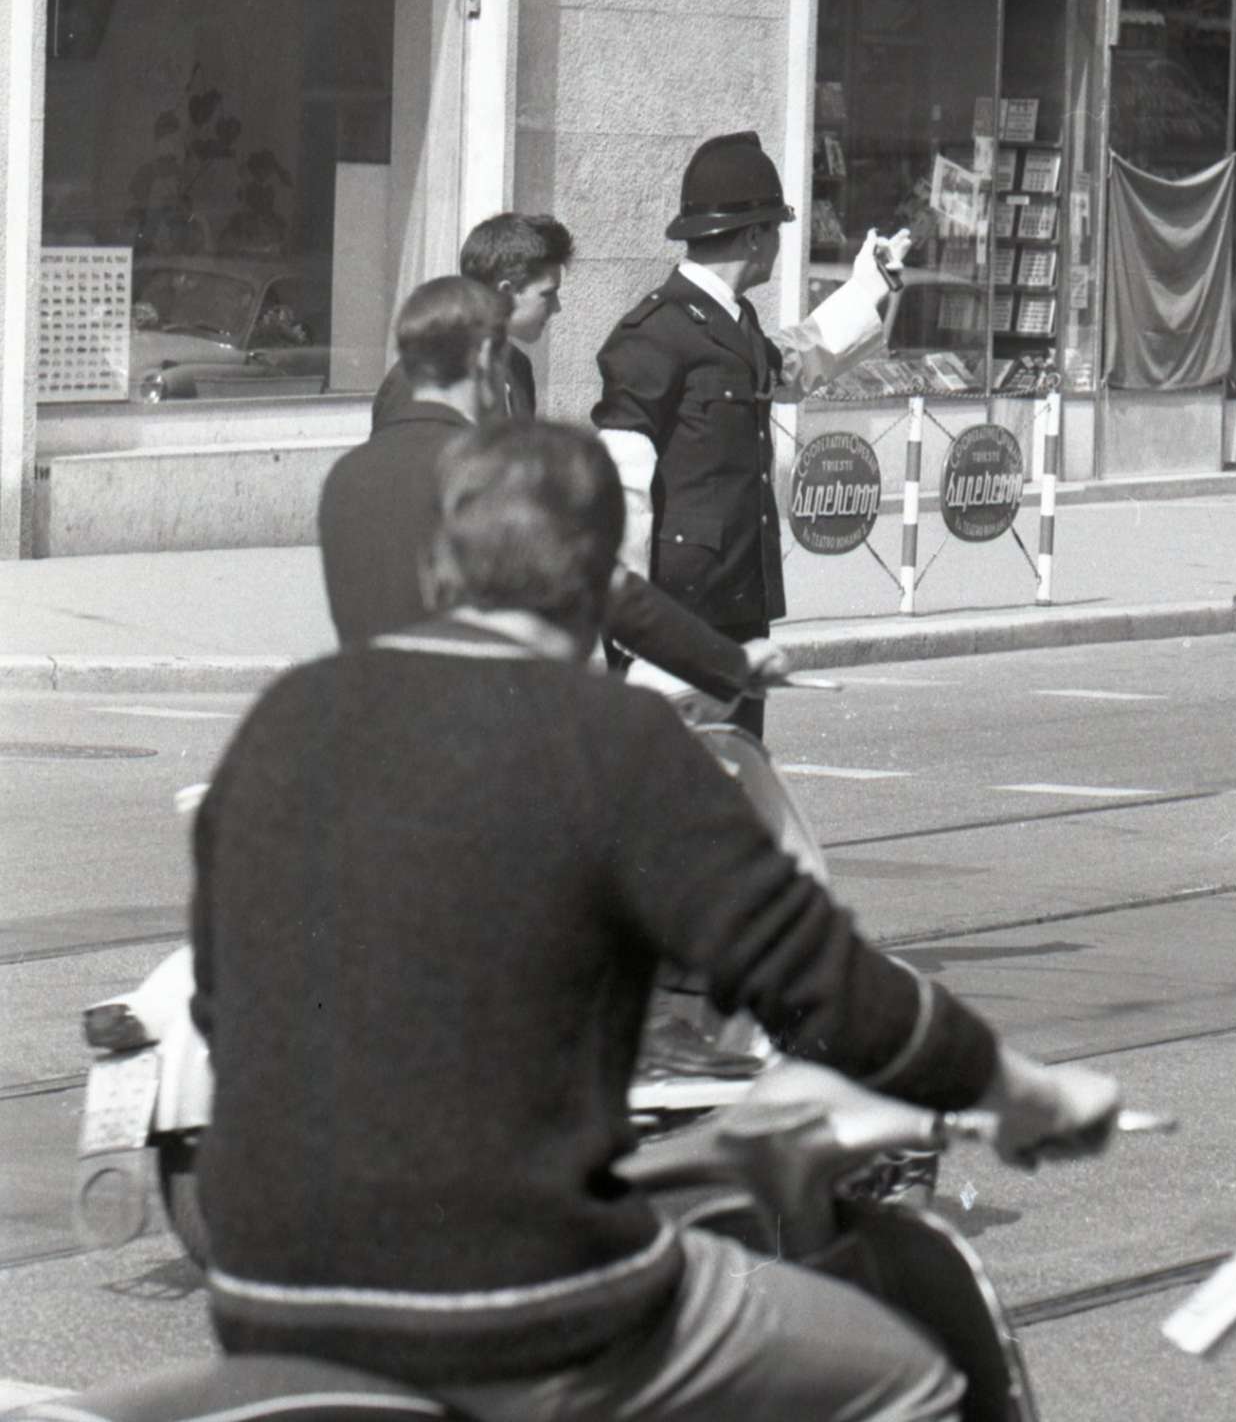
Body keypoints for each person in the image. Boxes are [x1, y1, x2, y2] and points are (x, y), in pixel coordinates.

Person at [193, 419, 1120, 1422]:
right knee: (914, 1368)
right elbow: (829, 986)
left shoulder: (287, 714)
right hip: (523, 1304)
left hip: (263, 1295)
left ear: (436, 565)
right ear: (605, 582)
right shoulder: (612, 737)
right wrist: (1023, 1090)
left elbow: (220, 1008)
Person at [320, 273, 784, 707]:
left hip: (374, 727)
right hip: (479, 730)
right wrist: (730, 663)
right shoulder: (488, 470)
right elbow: (604, 588)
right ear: (484, 357)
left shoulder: (346, 475)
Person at [594, 130, 908, 735]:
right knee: (673, 780)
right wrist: (629, 620)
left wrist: (867, 288)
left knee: (734, 769)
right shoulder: (654, 332)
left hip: (735, 601)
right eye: (778, 229)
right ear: (757, 236)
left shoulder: (732, 320)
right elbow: (622, 484)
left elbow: (793, 362)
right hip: (676, 616)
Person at [372, 212, 572, 430]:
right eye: (548, 294)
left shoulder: (518, 367)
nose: (557, 307)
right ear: (505, 292)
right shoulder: (423, 375)